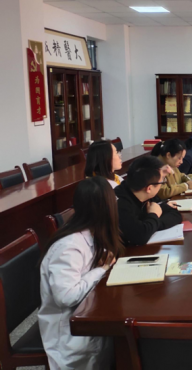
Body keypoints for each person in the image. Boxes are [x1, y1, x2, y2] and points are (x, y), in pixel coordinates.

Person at [39, 177, 124, 370]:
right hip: (70, 333)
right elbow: (66, 297)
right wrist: (101, 270)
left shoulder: (90, 233)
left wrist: (102, 262)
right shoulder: (68, 246)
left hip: (88, 314)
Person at [114, 156, 182, 246]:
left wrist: (150, 224)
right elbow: (140, 236)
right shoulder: (120, 203)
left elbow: (175, 214)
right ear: (149, 188)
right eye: (162, 181)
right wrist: (153, 215)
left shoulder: (144, 192)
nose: (162, 184)